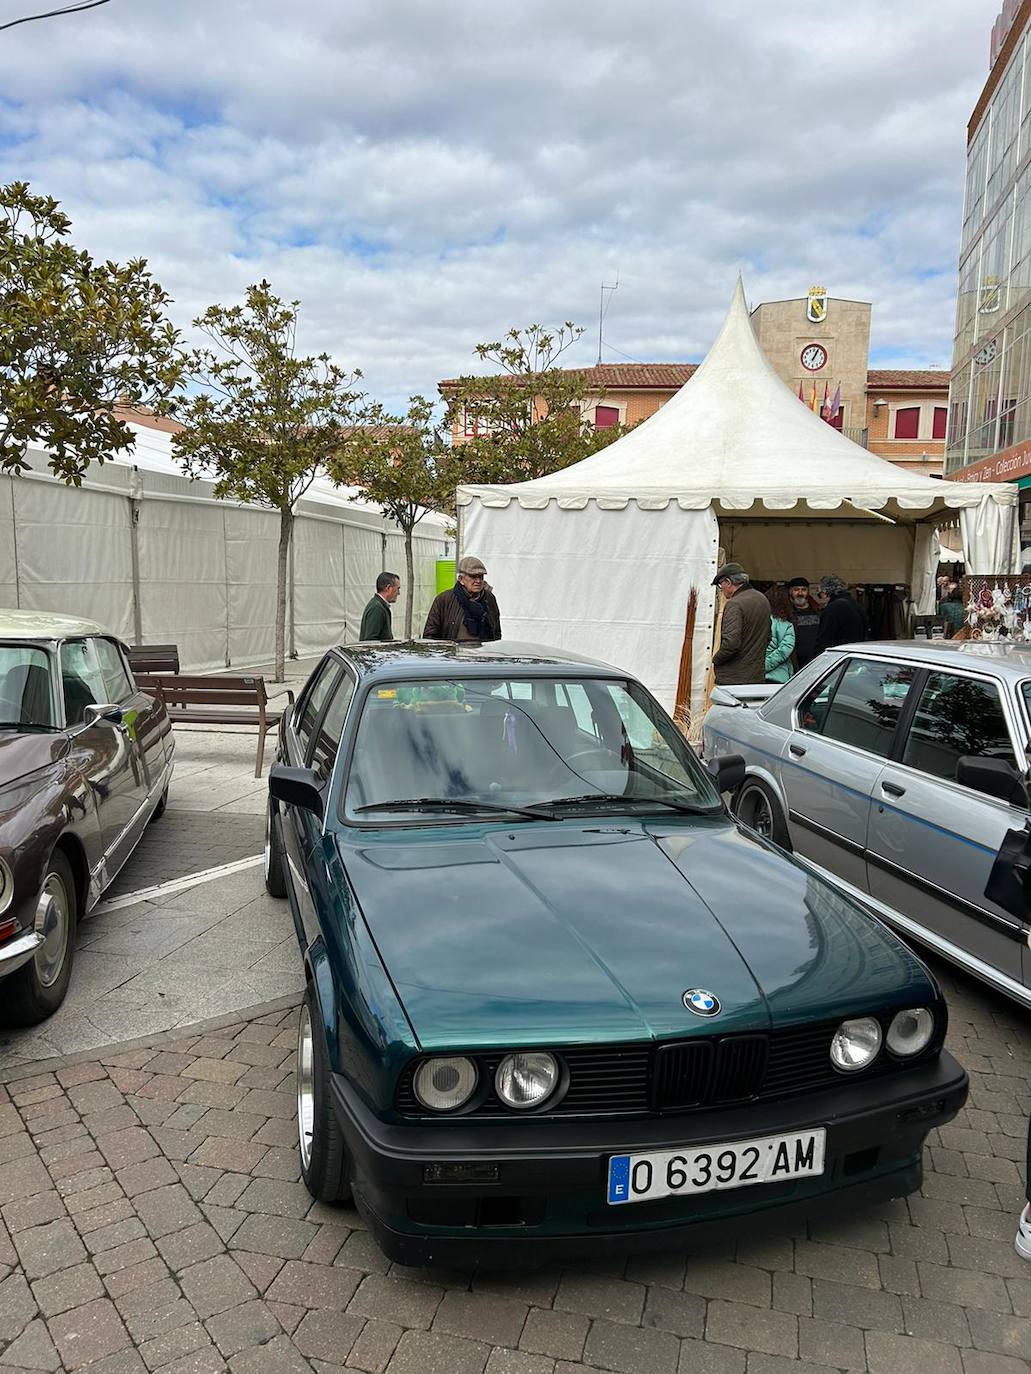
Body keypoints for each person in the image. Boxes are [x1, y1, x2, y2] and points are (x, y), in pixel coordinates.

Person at [711, 562, 772, 686]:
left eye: (720, 584)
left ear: (728, 582)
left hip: (733, 678)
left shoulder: (734, 604)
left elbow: (731, 643)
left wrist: (715, 660)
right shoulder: (762, 599)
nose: (721, 589)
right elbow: (768, 637)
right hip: (756, 676)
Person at [423, 555, 502, 642]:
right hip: (453, 654)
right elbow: (429, 636)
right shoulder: (444, 599)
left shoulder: (489, 599)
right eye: (473, 576)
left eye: (481, 576)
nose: (478, 581)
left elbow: (496, 633)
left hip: (482, 653)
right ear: (461, 579)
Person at [814, 574, 866, 652]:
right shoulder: (856, 605)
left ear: (825, 592)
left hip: (838, 654)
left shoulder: (833, 608)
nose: (821, 599)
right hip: (856, 653)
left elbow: (824, 639)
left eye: (819, 595)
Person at [764, 586, 796, 684]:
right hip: (779, 676)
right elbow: (785, 649)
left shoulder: (758, 621)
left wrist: (759, 667)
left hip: (757, 675)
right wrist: (766, 665)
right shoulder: (787, 625)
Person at [787, 577, 821, 667]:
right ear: (790, 592)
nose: (800, 593)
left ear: (808, 592)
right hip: (794, 664)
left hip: (817, 661)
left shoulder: (818, 611)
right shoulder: (785, 613)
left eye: (803, 590)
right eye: (796, 590)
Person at [358, 571, 400, 641]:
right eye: (397, 589)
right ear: (388, 588)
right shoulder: (377, 608)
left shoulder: (380, 606)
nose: (398, 593)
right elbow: (370, 641)